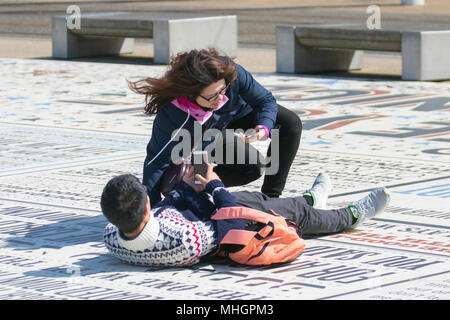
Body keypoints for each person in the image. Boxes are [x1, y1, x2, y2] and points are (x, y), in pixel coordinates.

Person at [101, 164, 391, 268]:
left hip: (198, 218)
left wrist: (185, 190)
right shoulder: (184, 238)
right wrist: (212, 184)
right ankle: (348, 216)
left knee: (256, 199)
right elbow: (230, 223)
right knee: (288, 215)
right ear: (147, 207)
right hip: (225, 234)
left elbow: (171, 210)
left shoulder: (112, 236)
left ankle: (308, 199)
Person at [129, 48, 302, 206]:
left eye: (222, 90)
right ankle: (191, 190)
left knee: (290, 124)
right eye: (212, 97)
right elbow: (157, 160)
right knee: (251, 167)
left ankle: (271, 199)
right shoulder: (173, 114)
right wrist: (150, 209)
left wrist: (263, 127)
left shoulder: (229, 73)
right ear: (190, 94)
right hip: (204, 136)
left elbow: (265, 100)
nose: (220, 99)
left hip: (237, 115)